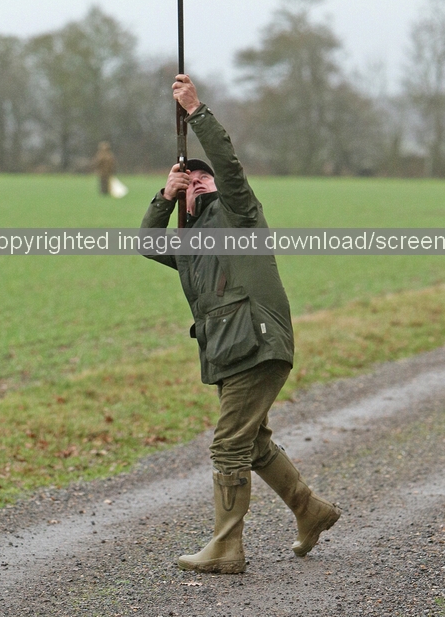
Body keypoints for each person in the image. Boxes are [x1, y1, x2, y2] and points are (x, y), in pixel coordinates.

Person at [140, 74, 341, 574]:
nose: (197, 182)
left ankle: (227, 547)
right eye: (189, 180)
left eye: (202, 179)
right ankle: (310, 510)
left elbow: (228, 168)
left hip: (256, 340)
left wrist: (196, 112)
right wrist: (165, 195)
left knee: (228, 445)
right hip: (230, 351)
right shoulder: (191, 244)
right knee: (252, 443)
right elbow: (146, 243)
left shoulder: (238, 217)